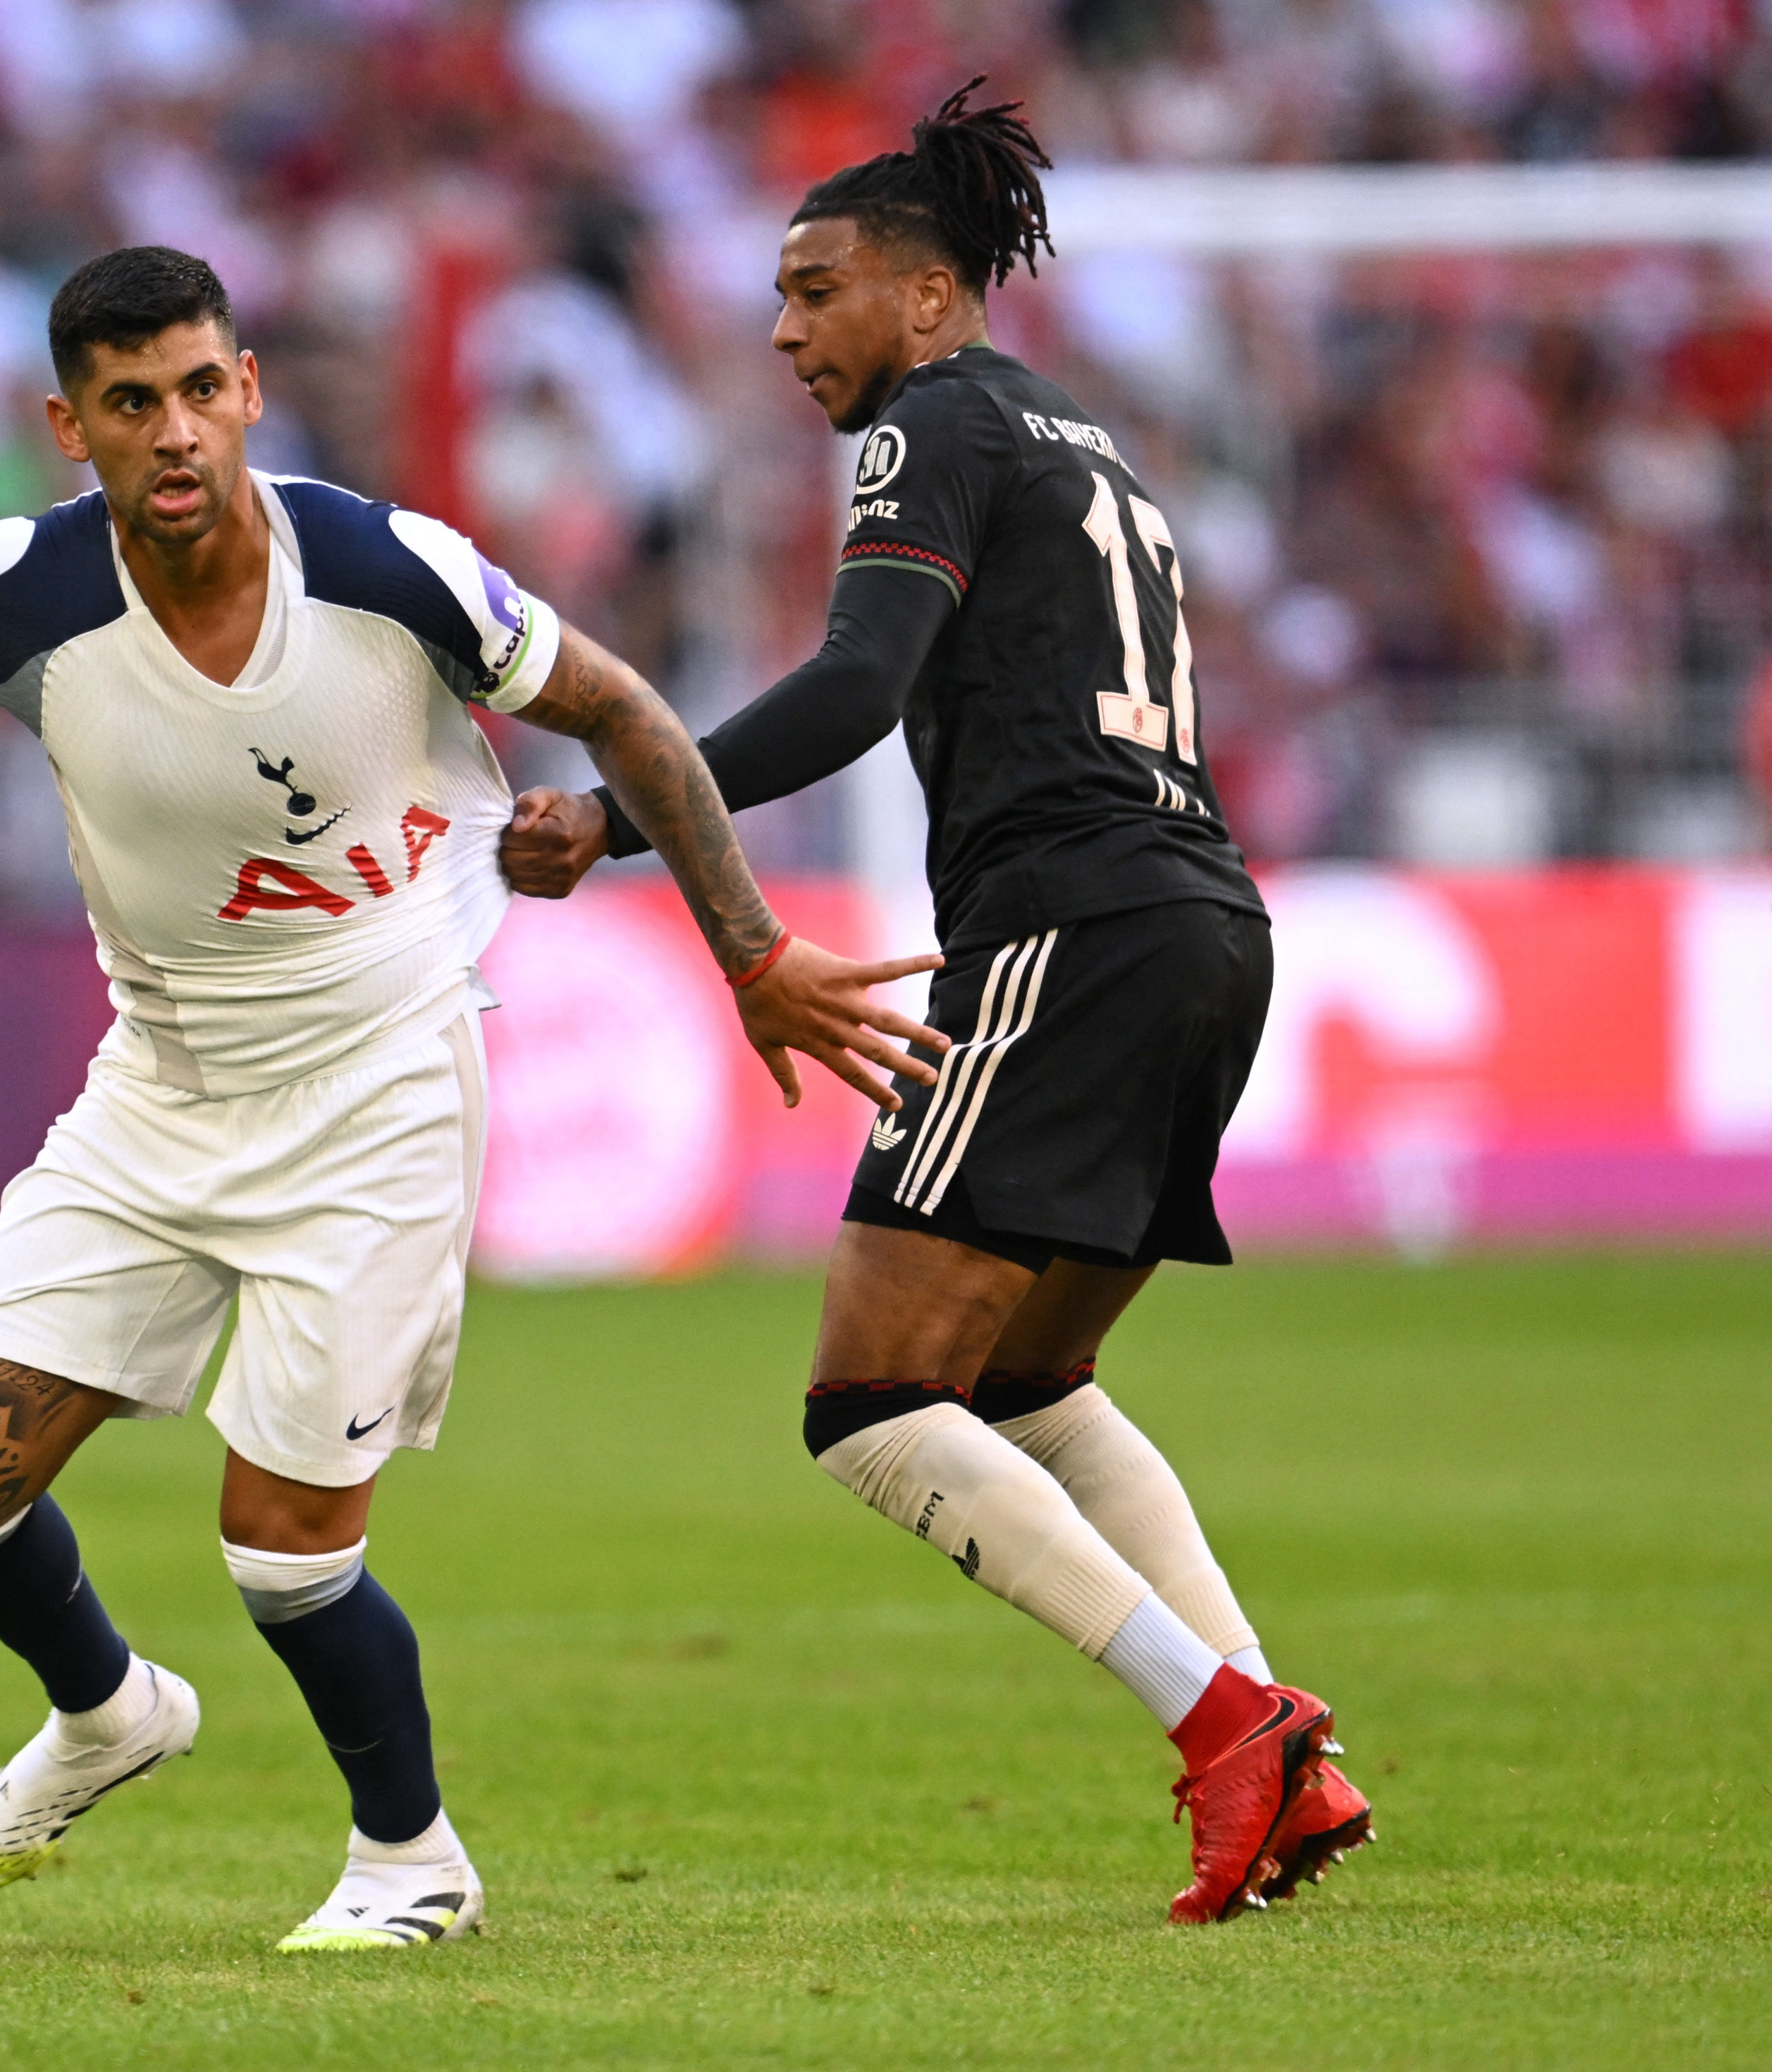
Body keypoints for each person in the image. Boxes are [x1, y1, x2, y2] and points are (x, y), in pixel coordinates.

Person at [0, 245, 941, 1951]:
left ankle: (410, 1861)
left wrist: (750, 951)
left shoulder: (378, 565)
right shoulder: (22, 593)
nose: (172, 432)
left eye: (199, 390)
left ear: (246, 391)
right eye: (130, 401)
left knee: (281, 1548)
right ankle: (107, 1713)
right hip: (157, 1089)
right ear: (67, 426)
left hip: (378, 1086)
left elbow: (620, 710)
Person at [500, 84, 1370, 1925]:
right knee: (1029, 1381)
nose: (783, 328)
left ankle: (1225, 1722)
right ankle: (1284, 1745)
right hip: (1203, 920)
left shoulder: (932, 424)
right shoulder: (1086, 436)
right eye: (776, 294)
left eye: (814, 288)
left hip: (1068, 925)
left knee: (872, 1397)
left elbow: (852, 685)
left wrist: (618, 808)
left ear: (925, 291)